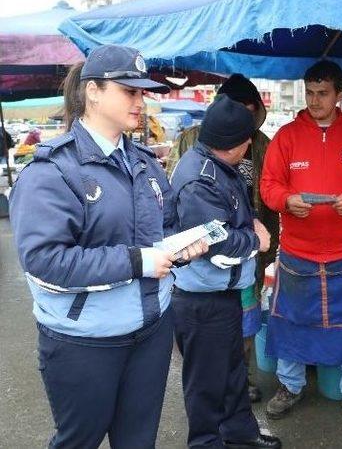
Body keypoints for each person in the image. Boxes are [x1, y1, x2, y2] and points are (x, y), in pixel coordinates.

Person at [9, 44, 208, 448]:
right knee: (78, 440)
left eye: (142, 92)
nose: (140, 101)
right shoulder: (52, 171)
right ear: (93, 92)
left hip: (150, 331)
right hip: (83, 341)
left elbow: (162, 229)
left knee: (138, 441)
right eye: (129, 91)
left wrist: (180, 248)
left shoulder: (145, 162)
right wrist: (140, 261)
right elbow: (45, 261)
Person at [260, 60, 342, 429]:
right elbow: (268, 185)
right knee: (292, 323)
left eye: (323, 93)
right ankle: (289, 386)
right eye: (311, 92)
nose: (315, 100)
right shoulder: (286, 136)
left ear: (339, 94)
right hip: (299, 253)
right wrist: (286, 200)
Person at [170, 94, 281, 449]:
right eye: (246, 139)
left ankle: (240, 434)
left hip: (223, 293)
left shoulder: (218, 165)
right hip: (201, 300)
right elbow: (214, 242)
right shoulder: (198, 179)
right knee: (206, 382)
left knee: (233, 372)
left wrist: (250, 225)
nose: (251, 144)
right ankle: (206, 443)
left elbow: (232, 215)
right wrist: (256, 239)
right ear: (231, 143)